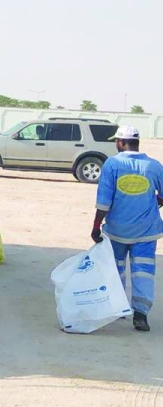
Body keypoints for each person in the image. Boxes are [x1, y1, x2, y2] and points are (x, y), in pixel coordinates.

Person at [91, 125, 163, 332]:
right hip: (146, 231)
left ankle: (118, 307)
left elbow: (104, 200)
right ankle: (140, 316)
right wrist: (156, 200)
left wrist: (96, 226)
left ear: (121, 142)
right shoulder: (154, 166)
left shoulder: (112, 164)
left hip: (117, 230)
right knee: (144, 271)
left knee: (116, 269)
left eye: (116, 141)